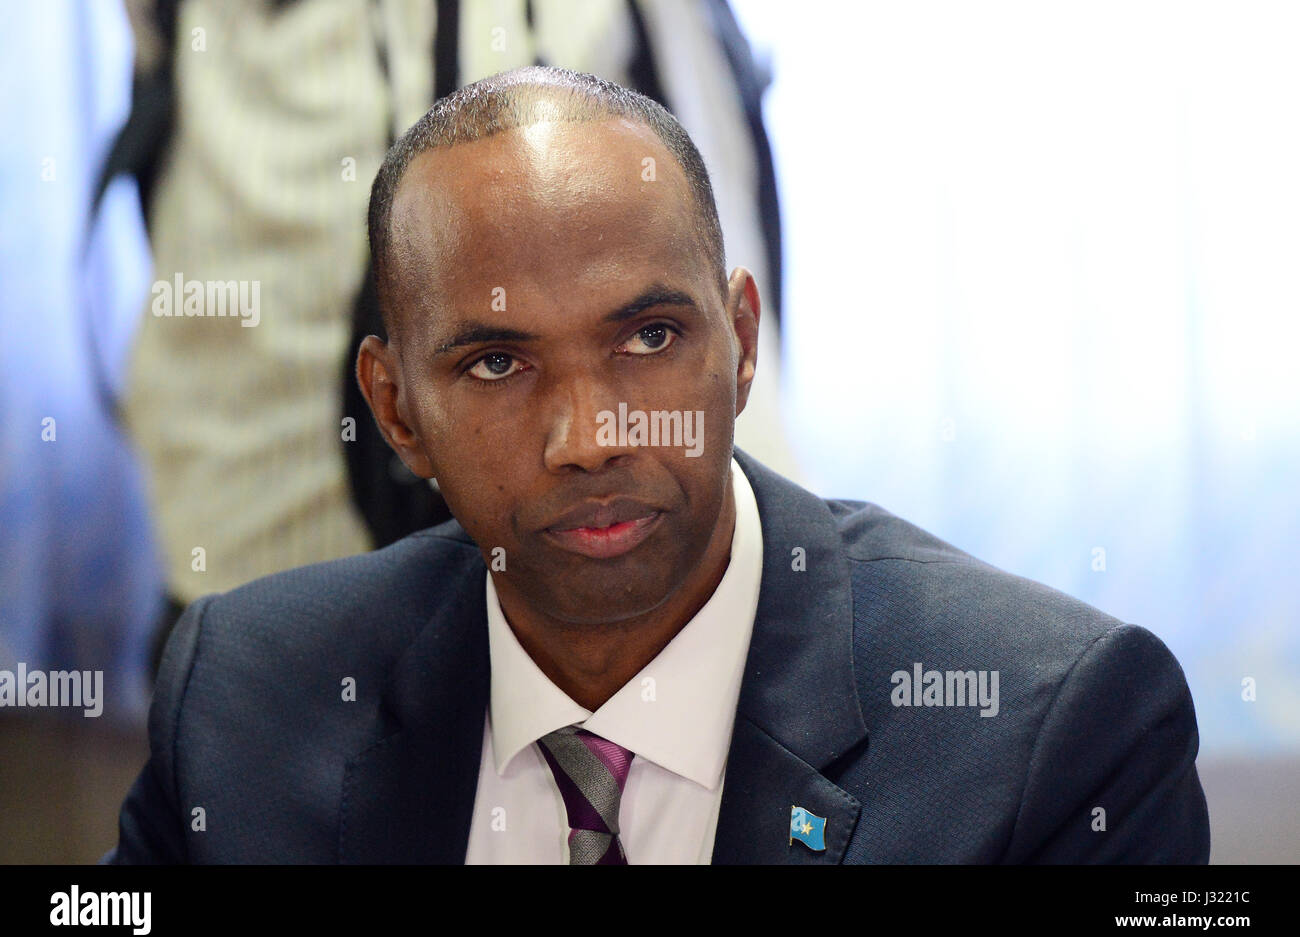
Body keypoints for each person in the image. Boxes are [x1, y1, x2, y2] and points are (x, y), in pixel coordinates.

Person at [106, 66, 1210, 864]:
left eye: (647, 337)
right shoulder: (243, 697)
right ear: (395, 410)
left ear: (741, 342)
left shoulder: (1053, 732)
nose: (590, 437)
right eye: (497, 362)